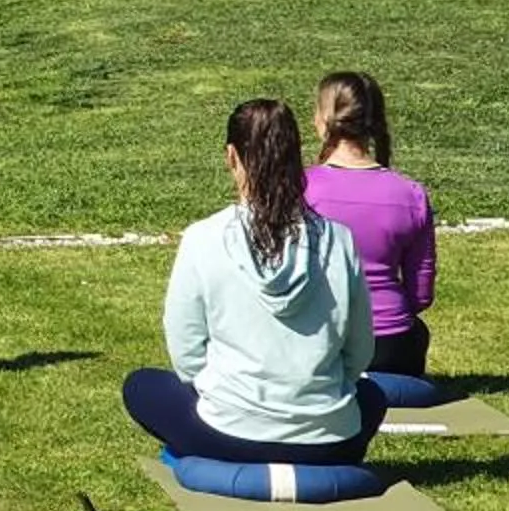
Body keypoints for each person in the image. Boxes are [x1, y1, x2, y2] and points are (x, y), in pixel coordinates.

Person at [122, 99, 386, 467]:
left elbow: (187, 353)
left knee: (141, 386)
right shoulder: (339, 239)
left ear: (232, 156)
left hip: (229, 434)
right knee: (371, 396)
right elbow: (359, 351)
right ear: (297, 157)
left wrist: (228, 396)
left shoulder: (203, 237)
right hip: (329, 440)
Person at [304, 70, 440, 380]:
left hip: (320, 343)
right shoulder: (411, 194)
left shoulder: (300, 188)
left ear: (324, 119)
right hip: (394, 349)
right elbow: (421, 295)